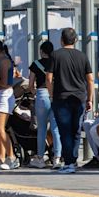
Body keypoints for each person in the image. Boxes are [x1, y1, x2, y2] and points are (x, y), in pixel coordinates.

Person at [46, 28, 94, 174]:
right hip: (79, 97)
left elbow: (48, 78)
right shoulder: (82, 56)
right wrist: (90, 99)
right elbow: (90, 79)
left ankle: (69, 163)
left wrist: (52, 95)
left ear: (61, 40)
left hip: (61, 98)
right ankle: (73, 160)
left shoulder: (55, 55)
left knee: (64, 131)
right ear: (76, 40)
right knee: (76, 131)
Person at [28, 41, 62, 169]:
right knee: (55, 129)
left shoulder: (35, 64)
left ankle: (40, 158)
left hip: (42, 95)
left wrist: (33, 91)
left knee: (41, 128)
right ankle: (57, 158)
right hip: (55, 96)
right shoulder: (56, 64)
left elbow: (31, 84)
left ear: (42, 51)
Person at [0, 39, 18, 170]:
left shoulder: (4, 61)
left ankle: (12, 157)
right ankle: (1, 156)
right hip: (1, 95)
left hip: (4, 95)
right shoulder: (4, 60)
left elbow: (6, 83)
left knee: (1, 128)